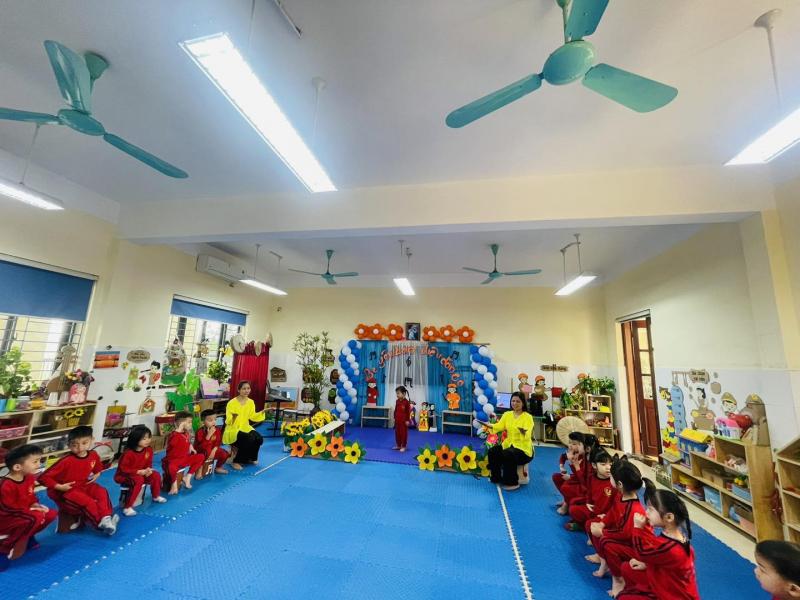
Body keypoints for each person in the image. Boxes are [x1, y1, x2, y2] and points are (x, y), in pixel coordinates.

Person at [618, 480, 700, 600]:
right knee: (627, 568)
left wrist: (637, 528)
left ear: (669, 517)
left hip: (672, 596)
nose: (646, 512)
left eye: (650, 510)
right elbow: (656, 552)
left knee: (623, 597)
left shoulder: (672, 548)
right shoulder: (676, 538)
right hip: (666, 582)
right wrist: (647, 564)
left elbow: (641, 552)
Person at [38, 425, 118, 535]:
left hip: (84, 485)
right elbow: (43, 478)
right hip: (67, 490)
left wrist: (97, 473)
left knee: (102, 492)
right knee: (88, 502)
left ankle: (106, 517)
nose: (80, 448)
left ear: (92, 440)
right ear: (69, 445)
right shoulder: (66, 461)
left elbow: (98, 467)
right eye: (75, 445)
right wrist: (59, 487)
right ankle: (100, 523)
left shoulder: (93, 455)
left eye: (84, 443)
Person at [589, 459, 647, 597]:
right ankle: (604, 562)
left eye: (611, 477)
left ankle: (619, 580)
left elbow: (626, 535)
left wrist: (602, 532)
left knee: (606, 542)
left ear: (619, 484)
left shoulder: (634, 508)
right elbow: (613, 512)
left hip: (636, 549)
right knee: (593, 524)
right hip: (623, 539)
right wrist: (602, 524)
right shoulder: (621, 496)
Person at [0, 444, 57, 571]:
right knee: (35, 518)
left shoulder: (29, 478)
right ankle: (4, 549)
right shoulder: (6, 485)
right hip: (6, 519)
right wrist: (31, 512)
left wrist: (35, 504)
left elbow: (30, 496)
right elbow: (7, 509)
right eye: (35, 462)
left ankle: (29, 536)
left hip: (22, 514)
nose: (39, 464)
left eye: (39, 460)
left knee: (50, 514)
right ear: (17, 467)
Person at [484, 392, 534, 491]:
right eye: (513, 401)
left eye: (518, 401)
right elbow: (499, 427)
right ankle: (496, 477)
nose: (515, 403)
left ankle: (512, 483)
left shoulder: (528, 417)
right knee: (493, 451)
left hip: (524, 449)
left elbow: (527, 434)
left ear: (523, 403)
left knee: (508, 454)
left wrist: (522, 431)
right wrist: (489, 425)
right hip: (508, 445)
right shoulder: (507, 414)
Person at [114, 425, 166, 516]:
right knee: (138, 480)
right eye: (144, 439)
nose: (148, 440)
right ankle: (127, 507)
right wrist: (138, 472)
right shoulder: (128, 453)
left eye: (149, 437)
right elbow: (123, 469)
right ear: (135, 439)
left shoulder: (148, 450)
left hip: (141, 473)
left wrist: (148, 470)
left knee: (156, 475)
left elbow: (148, 463)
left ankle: (155, 496)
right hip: (124, 476)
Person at [567, 448, 616, 531]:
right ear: (594, 465)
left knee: (590, 524)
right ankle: (586, 526)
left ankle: (584, 526)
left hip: (605, 515)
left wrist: (607, 515)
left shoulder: (613, 482)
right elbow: (589, 493)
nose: (608, 468)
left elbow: (617, 504)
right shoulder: (591, 477)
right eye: (603, 464)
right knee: (573, 510)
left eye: (610, 464)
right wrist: (588, 503)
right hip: (594, 510)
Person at [222, 381, 265, 469]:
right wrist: (233, 417)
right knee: (248, 438)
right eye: (244, 389)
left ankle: (251, 458)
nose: (246, 391)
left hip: (245, 427)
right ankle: (236, 461)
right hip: (233, 428)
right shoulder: (231, 403)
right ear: (239, 390)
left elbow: (252, 416)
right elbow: (228, 420)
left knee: (259, 438)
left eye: (248, 388)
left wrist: (262, 412)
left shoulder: (251, 402)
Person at [163, 411, 205, 494]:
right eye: (189, 422)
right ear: (181, 423)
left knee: (200, 457)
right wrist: (178, 430)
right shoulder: (173, 435)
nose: (191, 424)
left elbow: (186, 441)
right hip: (174, 461)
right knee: (171, 467)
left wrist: (191, 446)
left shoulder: (186, 433)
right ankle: (174, 485)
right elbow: (172, 443)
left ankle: (187, 477)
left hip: (184, 459)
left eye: (191, 422)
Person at [196, 409, 230, 474]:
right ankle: (200, 468)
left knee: (224, 454)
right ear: (203, 421)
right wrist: (208, 436)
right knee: (202, 455)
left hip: (212, 450)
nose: (213, 422)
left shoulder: (217, 430)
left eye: (215, 419)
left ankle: (218, 467)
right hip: (202, 452)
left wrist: (213, 451)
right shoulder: (200, 432)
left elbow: (218, 442)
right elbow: (200, 447)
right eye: (210, 420)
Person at [393, 385, 411, 452]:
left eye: (398, 393)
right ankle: (398, 445)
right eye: (396, 393)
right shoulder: (397, 401)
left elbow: (408, 412)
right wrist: (394, 417)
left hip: (403, 422)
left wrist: (407, 420)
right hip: (397, 421)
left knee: (403, 434)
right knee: (397, 433)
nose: (397, 395)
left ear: (403, 393)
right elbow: (396, 410)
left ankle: (403, 446)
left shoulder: (406, 402)